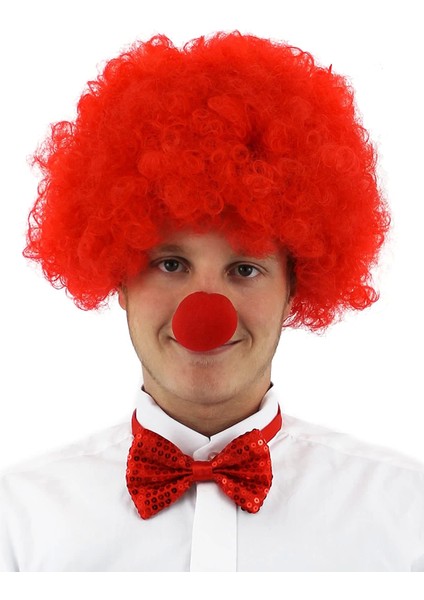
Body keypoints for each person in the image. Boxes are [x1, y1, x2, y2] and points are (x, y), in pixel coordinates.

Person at [1, 31, 423, 572]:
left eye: (244, 269)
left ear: (295, 288)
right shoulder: (19, 522)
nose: (204, 310)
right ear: (119, 279)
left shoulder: (405, 516)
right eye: (170, 264)